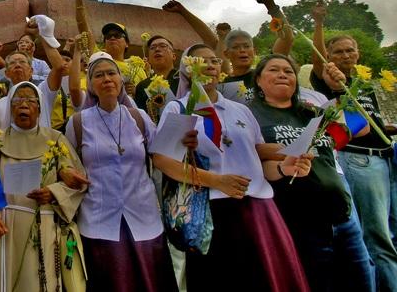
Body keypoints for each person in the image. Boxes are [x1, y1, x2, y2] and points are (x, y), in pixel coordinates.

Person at [152, 44, 311, 292]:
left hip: (258, 207)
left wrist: (288, 158)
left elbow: (255, 151)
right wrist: (216, 181)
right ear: (188, 69)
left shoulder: (241, 110)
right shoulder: (181, 108)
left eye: (214, 61)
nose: (210, 66)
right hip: (211, 210)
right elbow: (163, 160)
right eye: (200, 61)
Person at [250, 54, 374, 291]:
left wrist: (339, 90)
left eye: (288, 71)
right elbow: (249, 153)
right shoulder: (251, 114)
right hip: (299, 222)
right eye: (274, 70)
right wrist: (285, 153)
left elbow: (361, 127)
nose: (283, 74)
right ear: (258, 80)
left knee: (362, 282)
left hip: (342, 216)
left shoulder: (313, 112)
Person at [65, 53, 178, 291]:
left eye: (111, 73)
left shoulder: (138, 117)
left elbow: (162, 155)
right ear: (91, 84)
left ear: (120, 80)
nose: (106, 79)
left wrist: (184, 139)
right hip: (98, 217)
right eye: (99, 75)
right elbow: (67, 164)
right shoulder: (78, 123)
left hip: (143, 214)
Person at [0, 81, 87, 292]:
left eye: (30, 100)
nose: (23, 104)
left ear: (39, 108)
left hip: (42, 225)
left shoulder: (55, 140)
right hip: (0, 225)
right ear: (10, 107)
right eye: (18, 100)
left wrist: (53, 192)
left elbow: (78, 183)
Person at [310, 29, 397, 290]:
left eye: (350, 50)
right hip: (361, 160)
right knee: (378, 236)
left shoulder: (362, 82)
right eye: (339, 51)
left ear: (358, 53)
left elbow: (368, 120)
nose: (346, 55)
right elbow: (317, 58)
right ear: (329, 57)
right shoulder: (329, 81)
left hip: (386, 157)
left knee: (392, 230)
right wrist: (318, 21)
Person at [0, 17, 65, 130]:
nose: (18, 65)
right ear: (7, 73)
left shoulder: (42, 92)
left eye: (22, 62)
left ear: (31, 70)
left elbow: (59, 67)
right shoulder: (0, 105)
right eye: (13, 63)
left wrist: (42, 34)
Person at [133, 35, 180, 110]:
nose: (157, 49)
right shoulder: (143, 86)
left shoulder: (184, 79)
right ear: (148, 59)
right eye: (152, 48)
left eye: (163, 46)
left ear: (174, 56)